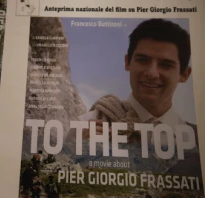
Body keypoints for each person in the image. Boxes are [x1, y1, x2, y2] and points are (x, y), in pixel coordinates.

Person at [67, 19, 199, 175]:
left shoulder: (196, 139)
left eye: (166, 65)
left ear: (184, 74)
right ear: (127, 62)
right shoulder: (84, 126)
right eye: (143, 60)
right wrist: (81, 154)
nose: (151, 73)